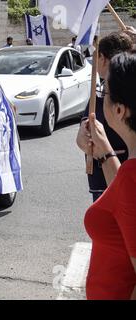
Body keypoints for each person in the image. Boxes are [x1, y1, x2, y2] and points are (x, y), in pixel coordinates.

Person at [84, 51, 136, 300]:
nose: (99, 97)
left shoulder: (131, 177)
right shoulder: (129, 174)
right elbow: (127, 207)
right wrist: (104, 150)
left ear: (118, 110)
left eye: (103, 91)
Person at [76, 32, 133, 202]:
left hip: (116, 184)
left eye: (107, 93)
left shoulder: (123, 93)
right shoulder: (99, 90)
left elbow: (125, 199)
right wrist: (84, 132)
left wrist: (105, 153)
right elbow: (87, 125)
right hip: (102, 181)